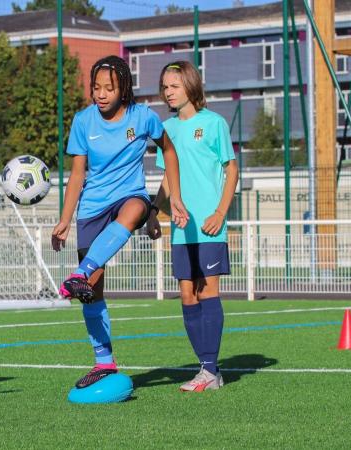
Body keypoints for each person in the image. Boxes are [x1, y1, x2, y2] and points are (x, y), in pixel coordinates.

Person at [51, 55, 188, 389]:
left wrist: (170, 201)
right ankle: (104, 363)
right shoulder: (83, 122)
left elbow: (168, 151)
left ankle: (79, 274)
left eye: (108, 88)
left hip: (132, 195)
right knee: (91, 293)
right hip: (92, 207)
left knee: (133, 211)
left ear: (123, 88)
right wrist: (65, 219)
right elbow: (78, 173)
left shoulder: (143, 118)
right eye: (96, 87)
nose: (101, 94)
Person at [147, 60, 238, 392]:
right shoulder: (167, 130)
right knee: (187, 293)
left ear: (189, 84)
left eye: (173, 85)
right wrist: (155, 212)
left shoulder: (213, 123)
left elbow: (232, 170)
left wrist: (220, 213)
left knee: (207, 290)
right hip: (181, 226)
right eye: (164, 87)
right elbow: (169, 181)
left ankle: (209, 370)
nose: (167, 92)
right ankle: (207, 369)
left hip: (210, 224)